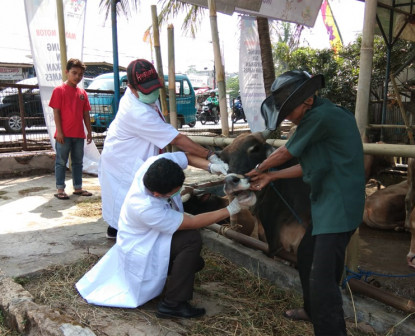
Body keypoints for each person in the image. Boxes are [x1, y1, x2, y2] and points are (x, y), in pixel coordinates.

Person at [246, 70, 365, 336]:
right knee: (307, 254)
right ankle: (312, 311)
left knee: (323, 283)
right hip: (325, 205)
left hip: (339, 209)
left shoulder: (321, 116)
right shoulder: (323, 117)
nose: (286, 115)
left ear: (308, 100)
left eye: (289, 109)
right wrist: (271, 176)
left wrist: (259, 167)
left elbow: (286, 152)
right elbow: (307, 165)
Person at [76, 152, 250, 318]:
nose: (176, 193)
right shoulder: (145, 207)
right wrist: (230, 209)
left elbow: (184, 157)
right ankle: (172, 304)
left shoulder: (153, 166)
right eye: (173, 192)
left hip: (151, 238)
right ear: (157, 194)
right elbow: (193, 222)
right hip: (142, 251)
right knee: (190, 239)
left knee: (195, 261)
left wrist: (212, 166)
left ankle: (172, 283)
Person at [99, 59, 228, 239]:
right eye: (147, 90)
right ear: (131, 86)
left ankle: (122, 230)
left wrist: (210, 165)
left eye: (154, 88)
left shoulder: (142, 99)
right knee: (130, 205)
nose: (152, 93)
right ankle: (121, 232)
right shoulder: (136, 111)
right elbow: (176, 139)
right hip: (124, 162)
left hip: (136, 155)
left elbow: (184, 156)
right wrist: (211, 156)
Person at [49, 58, 93, 200]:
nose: (77, 77)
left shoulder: (82, 93)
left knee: (78, 162)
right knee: (61, 162)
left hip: (79, 134)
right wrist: (59, 132)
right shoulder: (59, 90)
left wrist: (89, 132)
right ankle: (60, 189)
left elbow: (86, 114)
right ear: (67, 72)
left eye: (80, 74)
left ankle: (78, 187)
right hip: (63, 134)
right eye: (74, 73)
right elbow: (56, 112)